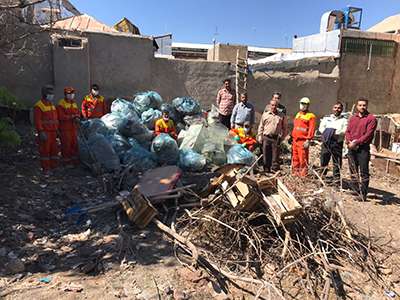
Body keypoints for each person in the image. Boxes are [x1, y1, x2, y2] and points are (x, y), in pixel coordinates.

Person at [345, 98, 377, 201]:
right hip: (351, 148)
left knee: (364, 172)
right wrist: (349, 142)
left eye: (364, 105)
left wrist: (356, 142)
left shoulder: (371, 119)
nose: (362, 107)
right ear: (357, 106)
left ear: (367, 106)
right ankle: (355, 191)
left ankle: (363, 194)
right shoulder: (353, 118)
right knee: (353, 169)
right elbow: (348, 131)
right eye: (360, 105)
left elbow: (368, 134)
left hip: (363, 149)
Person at [319, 101, 348, 185]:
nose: (337, 109)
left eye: (339, 108)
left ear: (342, 109)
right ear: (332, 108)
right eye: (335, 107)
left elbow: (344, 130)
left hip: (337, 143)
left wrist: (333, 131)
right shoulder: (326, 118)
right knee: (324, 160)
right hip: (326, 142)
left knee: (337, 162)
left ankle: (336, 181)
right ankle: (322, 178)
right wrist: (328, 132)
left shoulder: (344, 120)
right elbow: (321, 128)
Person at [33, 85, 59, 172]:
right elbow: (37, 120)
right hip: (45, 132)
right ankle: (46, 168)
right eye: (49, 93)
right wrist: (41, 131)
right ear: (44, 94)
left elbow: (55, 119)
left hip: (53, 132)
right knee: (45, 151)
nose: (52, 95)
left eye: (52, 93)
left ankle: (54, 166)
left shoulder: (51, 105)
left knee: (54, 150)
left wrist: (57, 130)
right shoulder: (39, 106)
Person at [257, 99, 287, 172]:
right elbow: (261, 126)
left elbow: (284, 128)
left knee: (275, 155)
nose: (274, 107)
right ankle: (266, 170)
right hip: (266, 137)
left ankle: (274, 170)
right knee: (266, 154)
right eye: (272, 105)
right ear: (270, 105)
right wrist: (260, 136)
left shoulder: (281, 115)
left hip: (276, 138)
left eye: (275, 105)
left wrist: (283, 137)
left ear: (277, 106)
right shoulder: (265, 115)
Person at [291, 97, 316, 177]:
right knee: (295, 158)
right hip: (295, 140)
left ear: (308, 105)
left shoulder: (311, 116)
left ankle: (303, 176)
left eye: (305, 104)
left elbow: (311, 129)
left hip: (303, 141)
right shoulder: (298, 114)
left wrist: (308, 140)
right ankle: (295, 174)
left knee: (303, 159)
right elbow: (295, 126)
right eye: (302, 103)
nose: (303, 105)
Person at [57, 87, 80, 166]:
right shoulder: (61, 103)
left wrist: (77, 116)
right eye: (69, 94)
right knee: (66, 145)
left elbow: (77, 113)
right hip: (65, 129)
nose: (71, 95)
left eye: (72, 94)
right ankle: (66, 163)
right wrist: (72, 117)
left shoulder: (74, 103)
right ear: (65, 94)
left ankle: (74, 162)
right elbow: (61, 116)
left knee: (74, 145)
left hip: (73, 128)